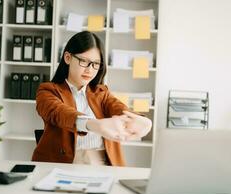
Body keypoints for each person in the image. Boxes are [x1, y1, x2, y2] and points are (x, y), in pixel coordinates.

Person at [32, 31, 152, 166]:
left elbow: (119, 108)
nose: (90, 70)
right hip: (64, 163)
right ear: (67, 58)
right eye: (84, 61)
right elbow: (59, 113)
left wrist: (142, 120)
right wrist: (96, 125)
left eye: (96, 64)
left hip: (103, 163)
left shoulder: (101, 92)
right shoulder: (48, 90)